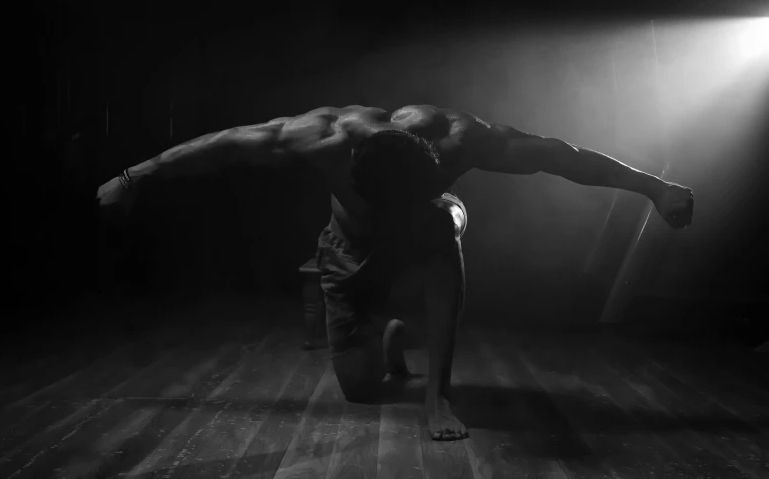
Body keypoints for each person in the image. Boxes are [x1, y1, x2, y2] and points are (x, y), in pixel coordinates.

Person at [96, 104, 694, 440]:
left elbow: (563, 158)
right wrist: (132, 178)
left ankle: (438, 396)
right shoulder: (318, 137)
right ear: (352, 170)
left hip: (428, 236)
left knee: (440, 230)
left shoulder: (464, 139)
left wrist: (656, 187)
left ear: (437, 165)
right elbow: (224, 142)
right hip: (347, 250)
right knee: (360, 391)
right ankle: (388, 336)